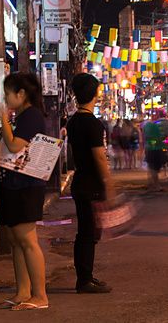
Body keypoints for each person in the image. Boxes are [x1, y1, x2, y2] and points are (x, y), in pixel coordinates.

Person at [0, 73, 50, 311]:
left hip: (26, 186)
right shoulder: (23, 115)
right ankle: (23, 292)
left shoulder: (32, 116)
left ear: (21, 94)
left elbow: (15, 145)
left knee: (27, 240)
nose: (5, 98)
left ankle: (40, 296)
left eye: (8, 93)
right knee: (16, 240)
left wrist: (4, 121)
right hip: (14, 184)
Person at [65, 73, 113, 294]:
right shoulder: (93, 124)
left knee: (85, 232)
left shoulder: (74, 121)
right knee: (89, 233)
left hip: (80, 181)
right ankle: (84, 280)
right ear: (95, 94)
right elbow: (100, 157)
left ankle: (84, 276)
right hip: (91, 184)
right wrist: (108, 182)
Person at [143, 111, 168, 192]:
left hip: (150, 149)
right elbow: (157, 139)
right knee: (154, 168)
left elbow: (146, 138)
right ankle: (156, 185)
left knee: (151, 168)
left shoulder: (147, 126)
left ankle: (151, 184)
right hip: (155, 149)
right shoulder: (155, 126)